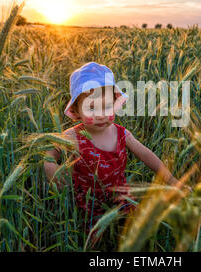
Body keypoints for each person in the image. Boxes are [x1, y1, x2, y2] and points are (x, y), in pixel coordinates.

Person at [43, 62, 189, 237]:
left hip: (122, 197)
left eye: (107, 106)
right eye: (91, 107)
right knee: (93, 239)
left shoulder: (122, 134)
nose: (100, 114)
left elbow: (147, 155)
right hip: (88, 203)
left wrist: (172, 179)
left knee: (134, 232)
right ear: (76, 111)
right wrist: (52, 170)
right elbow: (50, 153)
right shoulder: (73, 136)